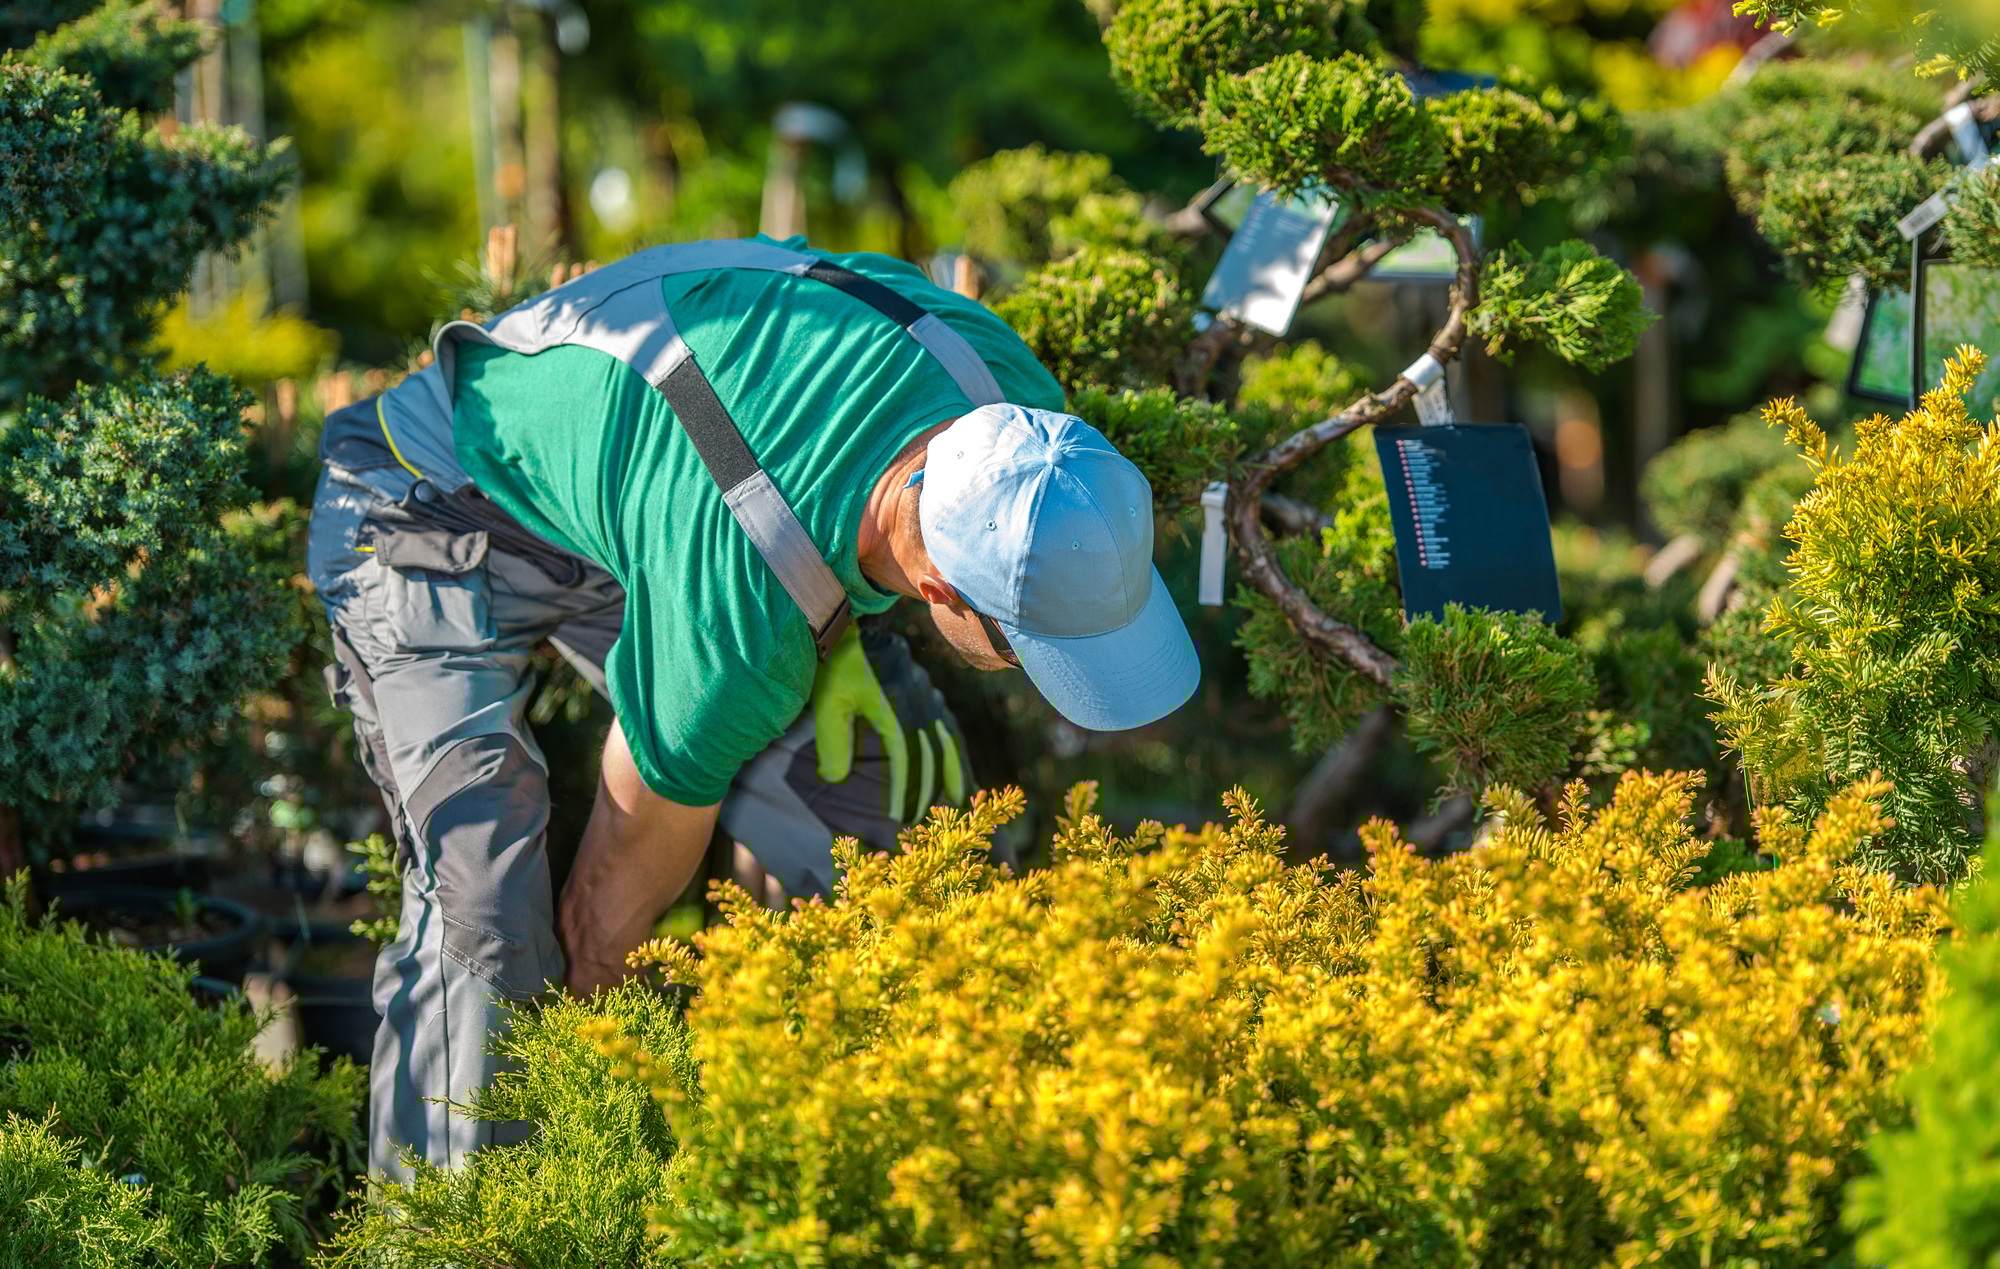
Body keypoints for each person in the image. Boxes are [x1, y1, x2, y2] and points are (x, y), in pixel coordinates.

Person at [303, 234, 1200, 1183]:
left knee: (866, 788)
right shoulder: (744, 603)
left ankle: (846, 1164)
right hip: (423, 500)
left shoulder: (1024, 422)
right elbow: (614, 886)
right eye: (1026, 643)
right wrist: (599, 1058)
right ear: (937, 588)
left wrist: (844, 626)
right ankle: (461, 1228)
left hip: (649, 504)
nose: (1028, 670)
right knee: (482, 900)